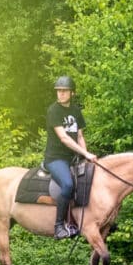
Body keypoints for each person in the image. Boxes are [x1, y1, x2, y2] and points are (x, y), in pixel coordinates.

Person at [44, 75, 93, 239]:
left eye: (64, 91)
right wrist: (85, 153)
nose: (61, 94)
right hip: (56, 158)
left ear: (72, 93)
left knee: (92, 178)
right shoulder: (53, 111)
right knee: (67, 184)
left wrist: (85, 157)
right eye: (59, 91)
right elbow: (64, 138)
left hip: (73, 158)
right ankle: (59, 226)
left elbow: (79, 137)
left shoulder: (76, 111)